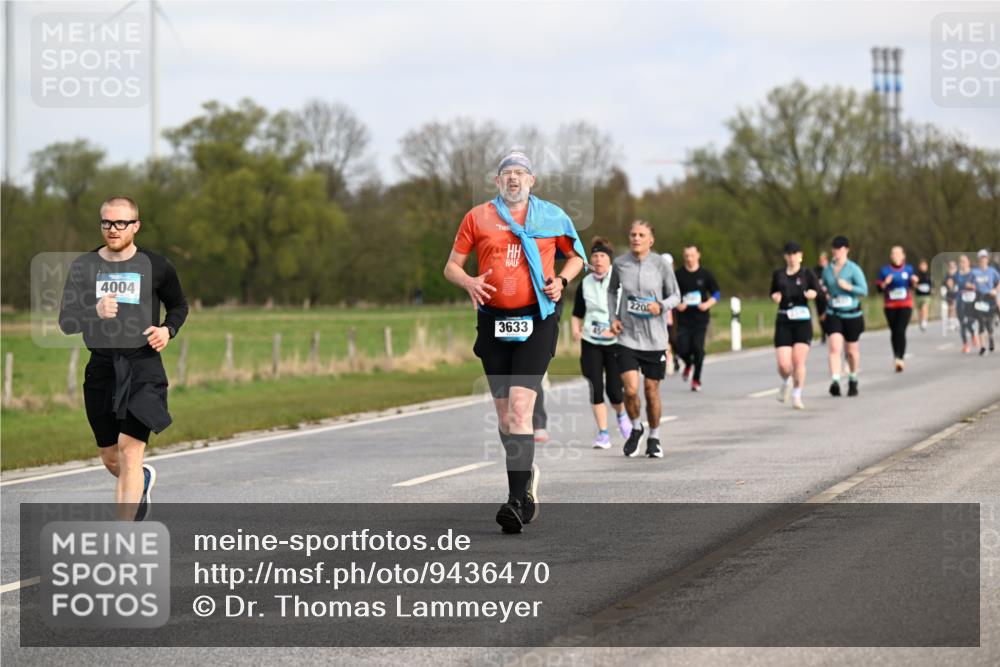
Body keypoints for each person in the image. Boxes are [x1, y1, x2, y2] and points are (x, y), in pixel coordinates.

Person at [444, 150, 585, 534]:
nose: (514, 179)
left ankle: (515, 501)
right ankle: (526, 480)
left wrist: (562, 281)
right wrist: (469, 281)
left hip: (536, 320)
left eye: (521, 173)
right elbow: (451, 265)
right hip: (493, 323)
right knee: (507, 417)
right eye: (507, 173)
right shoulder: (478, 217)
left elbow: (576, 258)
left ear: (532, 180)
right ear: (497, 181)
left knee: (522, 409)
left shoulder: (552, 216)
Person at [58, 196, 188, 521]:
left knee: (131, 450)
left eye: (121, 223)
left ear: (136, 226)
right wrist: (94, 311)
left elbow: (178, 306)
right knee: (111, 457)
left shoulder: (157, 266)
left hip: (143, 365)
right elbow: (66, 321)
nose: (113, 229)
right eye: (106, 223)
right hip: (102, 367)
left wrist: (168, 330)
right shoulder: (85, 266)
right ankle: (141, 481)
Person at [608, 221, 680, 458]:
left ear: (651, 240)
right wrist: (613, 318)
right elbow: (612, 291)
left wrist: (660, 306)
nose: (636, 238)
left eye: (641, 235)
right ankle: (637, 426)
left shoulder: (661, 265)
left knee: (651, 391)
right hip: (627, 336)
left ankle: (655, 437)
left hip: (655, 338)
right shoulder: (620, 264)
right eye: (632, 234)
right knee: (630, 390)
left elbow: (675, 295)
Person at [571, 237, 630, 449]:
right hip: (591, 341)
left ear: (609, 260)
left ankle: (622, 415)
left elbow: (627, 309)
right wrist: (575, 330)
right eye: (594, 256)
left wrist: (619, 325)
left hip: (614, 341)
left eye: (602, 256)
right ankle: (603, 433)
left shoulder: (620, 280)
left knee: (614, 390)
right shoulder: (585, 284)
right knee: (595, 387)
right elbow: (577, 313)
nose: (598, 260)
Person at [770, 242, 823, 410]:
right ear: (785, 256)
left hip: (802, 320)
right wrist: (775, 296)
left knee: (798, 361)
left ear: (800, 255)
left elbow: (817, 291)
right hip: (784, 319)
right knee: (783, 364)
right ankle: (787, 381)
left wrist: (813, 294)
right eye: (789, 254)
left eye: (795, 254)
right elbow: (773, 291)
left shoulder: (807, 273)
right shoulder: (779, 274)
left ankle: (797, 394)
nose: (792, 257)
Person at [820, 236, 868, 397]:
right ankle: (835, 381)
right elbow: (823, 288)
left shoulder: (853, 269)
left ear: (847, 250)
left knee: (851, 351)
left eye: (840, 249)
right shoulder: (827, 270)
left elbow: (864, 290)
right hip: (834, 313)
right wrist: (824, 293)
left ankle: (853, 379)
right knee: (834, 347)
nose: (836, 252)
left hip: (852, 314)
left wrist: (849, 286)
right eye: (834, 248)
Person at [673, 244, 720, 392]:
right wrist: (677, 304)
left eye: (692, 255)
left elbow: (716, 293)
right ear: (683, 256)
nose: (689, 259)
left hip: (700, 319)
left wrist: (707, 304)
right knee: (681, 349)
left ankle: (696, 379)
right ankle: (687, 364)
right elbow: (670, 293)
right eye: (687, 256)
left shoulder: (705, 274)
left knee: (698, 349)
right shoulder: (678, 275)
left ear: (698, 255)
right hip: (683, 319)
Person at [876, 246, 918, 372]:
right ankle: (896, 355)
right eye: (893, 253)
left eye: (898, 253)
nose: (895, 256)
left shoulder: (909, 269)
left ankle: (900, 358)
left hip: (905, 305)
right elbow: (879, 289)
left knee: (900, 330)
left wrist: (914, 282)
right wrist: (885, 283)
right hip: (890, 306)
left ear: (903, 256)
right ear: (891, 256)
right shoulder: (884, 271)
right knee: (894, 331)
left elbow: (913, 286)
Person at [969, 249, 1000, 355]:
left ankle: (990, 338)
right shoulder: (974, 272)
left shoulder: (992, 271)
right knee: (981, 322)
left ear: (987, 259)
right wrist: (971, 286)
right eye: (981, 258)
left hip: (989, 298)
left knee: (989, 323)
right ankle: (982, 346)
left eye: (984, 258)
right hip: (979, 298)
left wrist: (995, 290)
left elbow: (999, 281)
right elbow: (968, 283)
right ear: (978, 260)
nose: (983, 260)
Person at [951, 255, 977, 354]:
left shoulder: (973, 273)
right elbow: (951, 283)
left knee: (970, 322)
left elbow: (977, 285)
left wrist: (970, 286)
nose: (963, 263)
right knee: (962, 323)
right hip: (960, 300)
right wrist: (950, 284)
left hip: (970, 300)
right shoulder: (957, 274)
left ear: (968, 262)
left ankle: (973, 334)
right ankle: (965, 345)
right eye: (961, 261)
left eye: (964, 261)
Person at [661, 252, 680, 375]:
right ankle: (666, 361)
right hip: (659, 312)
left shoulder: (676, 277)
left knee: (673, 338)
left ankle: (676, 357)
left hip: (673, 312)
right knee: (663, 339)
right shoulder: (655, 276)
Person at [814, 251, 830, 344]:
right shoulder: (815, 270)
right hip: (819, 296)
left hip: (829, 296)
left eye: (823, 260)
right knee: (821, 316)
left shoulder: (830, 269)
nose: (822, 262)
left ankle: (830, 332)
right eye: (820, 260)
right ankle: (823, 333)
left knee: (828, 315)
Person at [913, 259, 932, 332]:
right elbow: (914, 284)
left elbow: (932, 284)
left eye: (925, 265)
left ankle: (924, 321)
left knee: (925, 307)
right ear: (919, 266)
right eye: (922, 265)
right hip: (918, 295)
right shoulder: (917, 275)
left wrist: (931, 289)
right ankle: (921, 321)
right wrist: (916, 286)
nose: (923, 267)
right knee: (920, 311)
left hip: (926, 295)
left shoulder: (929, 275)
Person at [944, 259, 959, 331]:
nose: (951, 266)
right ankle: (950, 322)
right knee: (950, 308)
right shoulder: (947, 274)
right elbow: (945, 283)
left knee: (954, 307)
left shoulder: (958, 273)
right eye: (950, 265)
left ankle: (955, 322)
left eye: (953, 265)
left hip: (956, 292)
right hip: (949, 293)